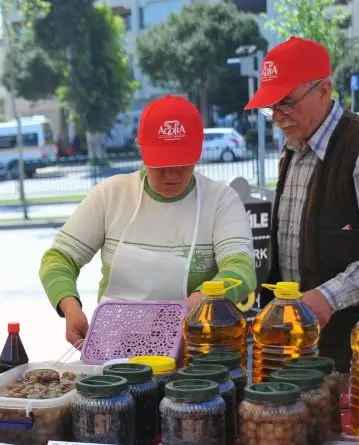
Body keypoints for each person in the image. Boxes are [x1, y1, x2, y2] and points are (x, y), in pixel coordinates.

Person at [245, 37, 359, 370]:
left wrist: (328, 297)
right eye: (271, 107)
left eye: (286, 103)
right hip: (305, 350)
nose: (278, 117)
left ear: (324, 90)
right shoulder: (294, 148)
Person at [40, 96, 257, 346]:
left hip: (194, 347)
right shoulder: (111, 194)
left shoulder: (220, 200)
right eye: (161, 165)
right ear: (142, 152)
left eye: (182, 163)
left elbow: (240, 270)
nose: (171, 174)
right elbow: (58, 259)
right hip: (115, 348)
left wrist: (191, 308)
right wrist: (69, 306)